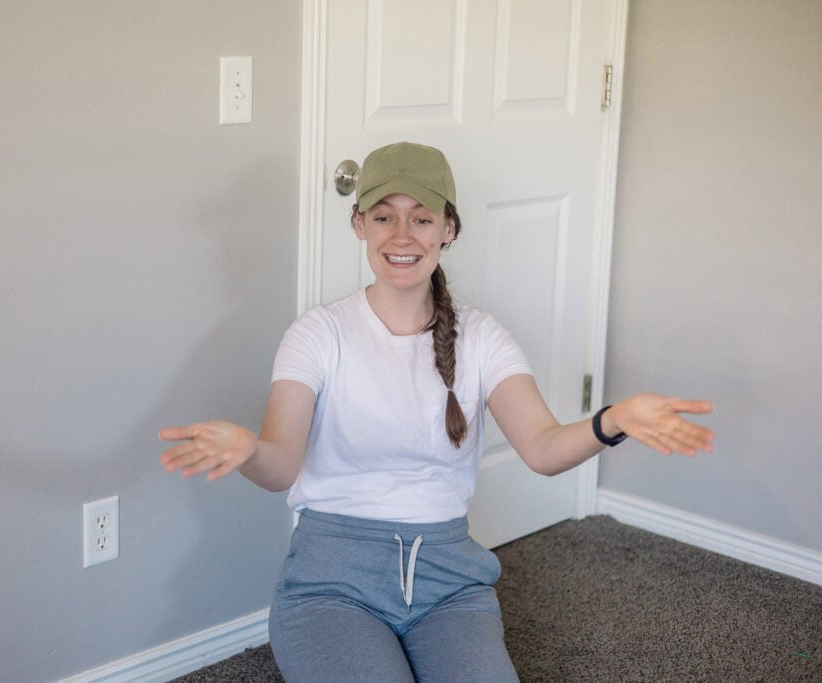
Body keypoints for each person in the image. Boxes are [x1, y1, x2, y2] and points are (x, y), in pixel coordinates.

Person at [159, 142, 714, 682]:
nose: (402, 236)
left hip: (450, 579)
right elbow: (280, 465)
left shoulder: (482, 337)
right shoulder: (318, 334)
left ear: (449, 229)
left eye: (422, 219)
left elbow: (542, 448)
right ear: (359, 225)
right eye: (384, 217)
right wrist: (251, 450)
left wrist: (610, 420)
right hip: (331, 579)